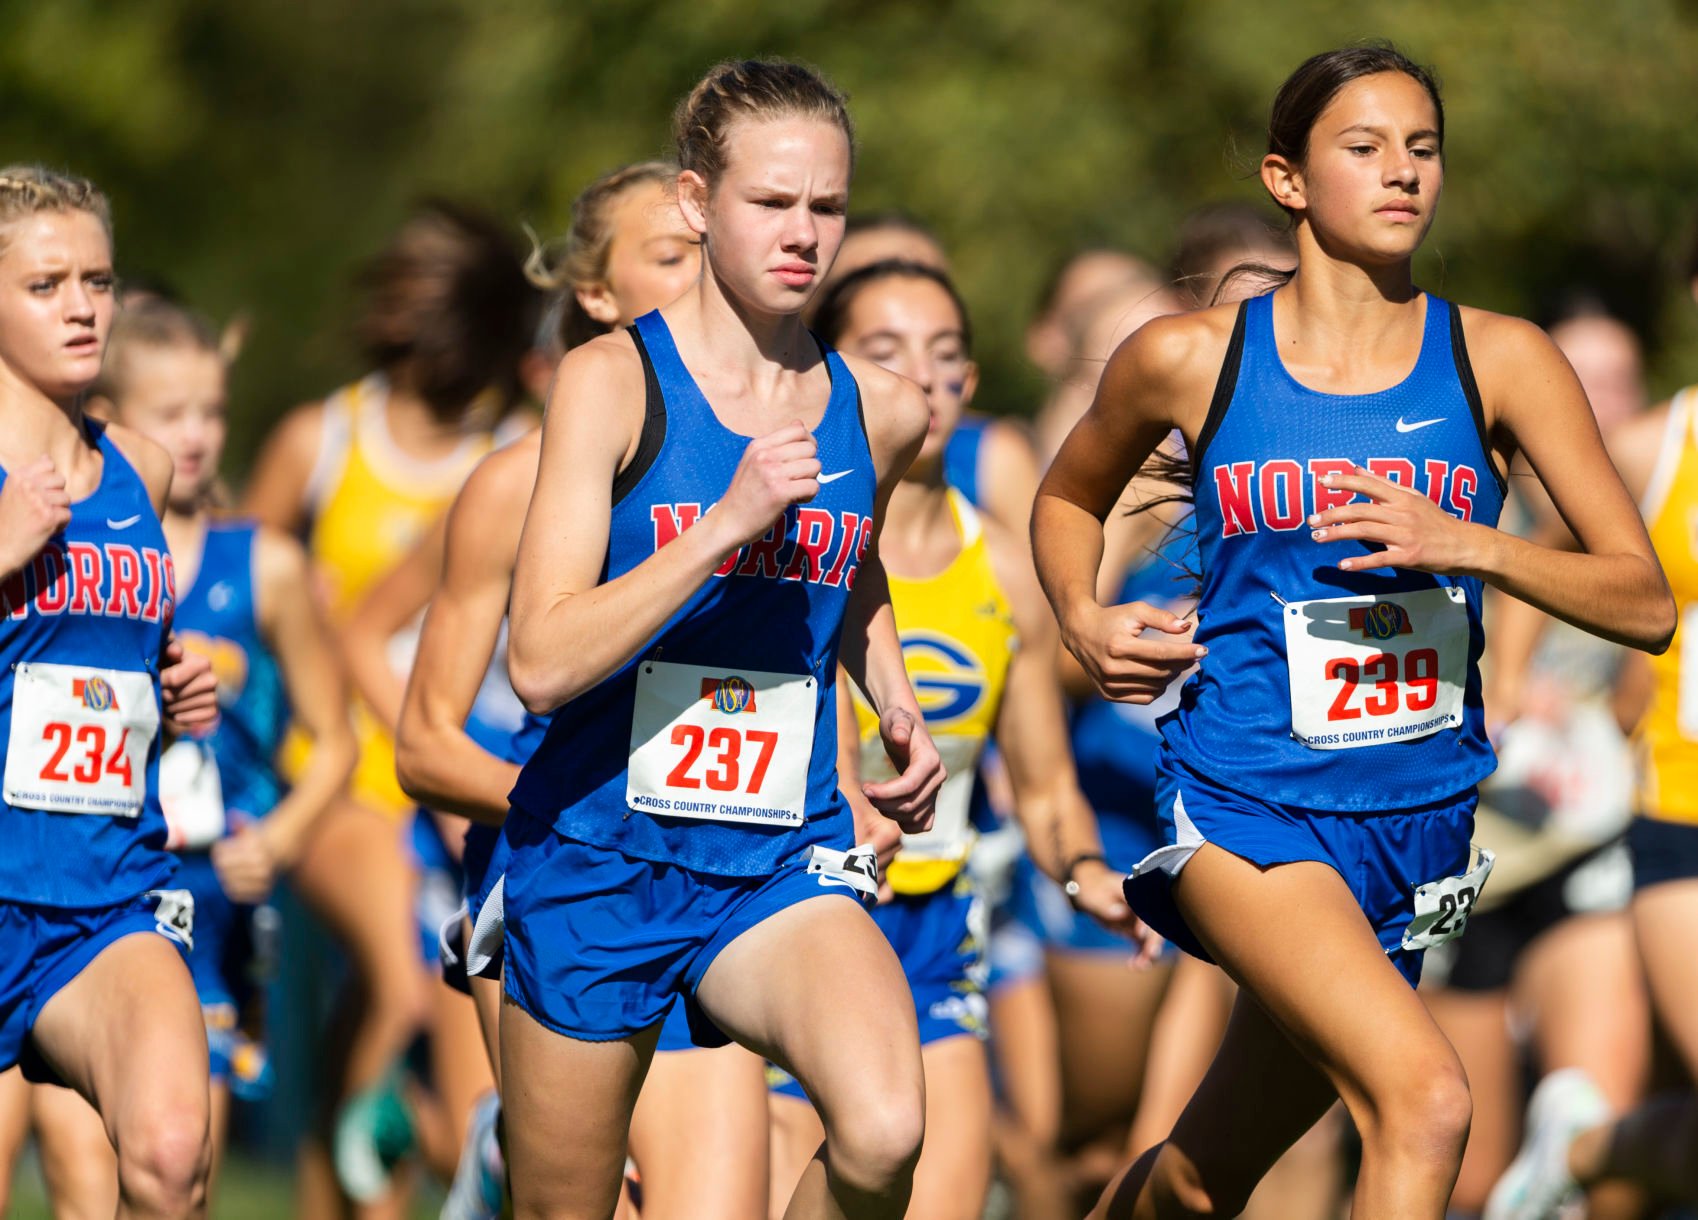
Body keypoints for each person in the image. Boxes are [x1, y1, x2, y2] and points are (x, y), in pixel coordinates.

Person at [1030, 45, 1674, 1218]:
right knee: (1426, 1098)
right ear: (1288, 179)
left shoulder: (1503, 357)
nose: (1403, 173)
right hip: (1249, 798)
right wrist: (1080, 616)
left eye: (1422, 148)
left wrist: (1470, 541)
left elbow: (1644, 600)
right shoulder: (1191, 356)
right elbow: (1068, 495)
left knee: (1201, 1172)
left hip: (1416, 824)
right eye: (1365, 147)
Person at [499, 58, 945, 1219]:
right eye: (772, 202)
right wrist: (724, 525)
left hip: (773, 856)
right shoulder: (609, 385)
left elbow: (853, 569)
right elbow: (539, 660)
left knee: (888, 1123)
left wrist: (893, 696)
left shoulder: (879, 408)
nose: (804, 233)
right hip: (600, 858)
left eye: (828, 207)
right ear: (698, 203)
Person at [345, 162, 771, 1220]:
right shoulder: (511, 484)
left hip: (719, 888)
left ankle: (493, 1156)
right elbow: (425, 746)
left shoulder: (783, 466)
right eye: (669, 257)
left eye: (707, 254)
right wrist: (581, 801)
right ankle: (493, 1155)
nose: (699, 278)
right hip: (561, 886)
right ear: (595, 294)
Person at [765, 257, 1144, 1218]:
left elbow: (1048, 787)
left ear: (970, 382)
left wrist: (1088, 872)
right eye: (884, 352)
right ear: (830, 374)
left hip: (936, 934)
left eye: (943, 354)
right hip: (787, 929)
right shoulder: (783, 538)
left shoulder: (1007, 570)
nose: (921, 377)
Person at [240, 200, 538, 1211]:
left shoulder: (520, 451)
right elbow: (220, 587)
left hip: (464, 771)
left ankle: (344, 1173)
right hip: (341, 776)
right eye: (407, 290)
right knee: (403, 987)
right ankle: (391, 1123)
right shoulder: (320, 437)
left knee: (366, 1015)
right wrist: (290, 613)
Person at [0, 163, 223, 1218]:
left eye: (97, 278)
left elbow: (113, 655)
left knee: (173, 1155)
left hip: (103, 892)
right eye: (46, 285)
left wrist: (174, 676)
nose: (83, 305)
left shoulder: (140, 462)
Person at [1483, 256, 1698, 1217]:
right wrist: (1506, 672)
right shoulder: (1663, 444)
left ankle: (1581, 1152)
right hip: (1678, 820)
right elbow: (1551, 536)